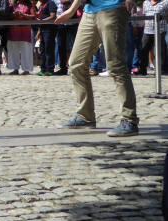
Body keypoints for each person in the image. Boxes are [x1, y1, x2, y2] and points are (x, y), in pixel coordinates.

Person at [55, 0, 139, 137]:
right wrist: (72, 10)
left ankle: (129, 120)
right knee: (76, 64)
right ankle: (85, 116)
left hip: (113, 9)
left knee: (116, 66)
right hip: (89, 12)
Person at [134, 0, 168, 75]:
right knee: (143, 50)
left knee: (161, 51)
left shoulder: (165, 2)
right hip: (147, 31)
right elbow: (144, 15)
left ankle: (163, 69)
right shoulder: (146, 2)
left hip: (160, 30)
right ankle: (142, 69)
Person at [6, 0, 35, 75]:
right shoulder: (13, 5)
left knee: (26, 49)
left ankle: (26, 69)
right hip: (14, 29)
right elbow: (7, 15)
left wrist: (24, 15)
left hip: (25, 30)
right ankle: (15, 68)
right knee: (13, 49)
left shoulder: (29, 5)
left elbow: (33, 16)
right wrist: (14, 14)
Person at [36, 0, 57, 76]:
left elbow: (53, 16)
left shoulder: (50, 3)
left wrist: (42, 21)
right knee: (42, 50)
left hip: (49, 29)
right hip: (42, 29)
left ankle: (50, 69)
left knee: (49, 49)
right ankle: (43, 69)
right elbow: (40, 17)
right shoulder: (42, 5)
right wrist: (38, 32)